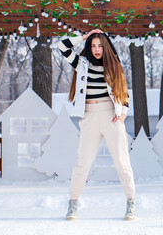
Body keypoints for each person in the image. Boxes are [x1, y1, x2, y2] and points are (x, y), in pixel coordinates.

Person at [58, 29, 136, 221]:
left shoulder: (115, 66)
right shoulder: (81, 64)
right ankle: (73, 204)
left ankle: (131, 202)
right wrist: (83, 37)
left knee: (122, 162)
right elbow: (62, 46)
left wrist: (123, 114)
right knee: (82, 164)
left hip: (111, 116)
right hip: (89, 117)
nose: (96, 49)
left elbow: (124, 93)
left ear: (106, 46)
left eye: (100, 45)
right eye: (92, 45)